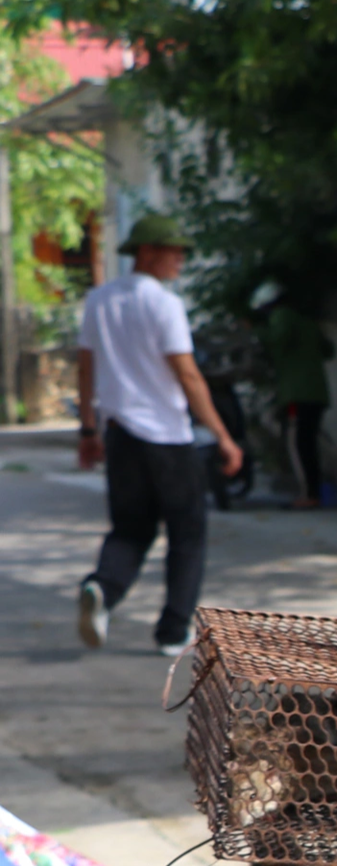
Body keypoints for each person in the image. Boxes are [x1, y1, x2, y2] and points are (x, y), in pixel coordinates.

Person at [75, 213, 243, 657]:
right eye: (174, 251)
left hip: (119, 435)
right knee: (187, 532)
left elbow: (86, 365)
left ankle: (102, 588)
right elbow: (187, 374)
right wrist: (223, 435)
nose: (181, 260)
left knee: (130, 527)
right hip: (168, 437)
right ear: (147, 251)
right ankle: (172, 631)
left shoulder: (99, 300)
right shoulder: (164, 304)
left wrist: (88, 429)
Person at [255, 281, 336, 508]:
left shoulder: (282, 317)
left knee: (298, 444)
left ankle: (309, 495)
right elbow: (329, 350)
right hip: (317, 391)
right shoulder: (307, 321)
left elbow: (276, 341)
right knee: (308, 442)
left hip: (297, 392)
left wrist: (256, 331)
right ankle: (314, 492)